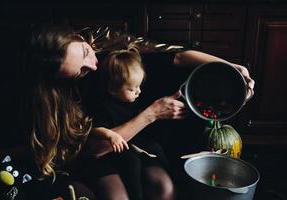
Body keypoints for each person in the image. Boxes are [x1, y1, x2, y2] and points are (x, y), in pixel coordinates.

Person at [20, 23, 254, 200]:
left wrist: (230, 67)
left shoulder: (112, 50)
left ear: (80, 38)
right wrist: (152, 113)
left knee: (164, 188)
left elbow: (179, 57)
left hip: (142, 144)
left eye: (84, 53)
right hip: (102, 152)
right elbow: (95, 149)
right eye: (79, 71)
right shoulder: (64, 95)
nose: (91, 66)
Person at [90, 48, 175, 200]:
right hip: (111, 153)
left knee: (161, 180)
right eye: (132, 88)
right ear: (113, 89)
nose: (138, 92)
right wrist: (110, 134)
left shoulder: (135, 100)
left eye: (139, 86)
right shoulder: (103, 106)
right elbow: (94, 130)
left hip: (137, 147)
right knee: (130, 165)